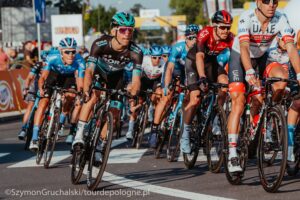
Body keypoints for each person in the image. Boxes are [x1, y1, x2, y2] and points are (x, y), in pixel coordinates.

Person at [227, 0, 300, 173]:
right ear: (258, 2)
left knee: (278, 82)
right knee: (238, 101)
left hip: (261, 58)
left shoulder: (281, 18)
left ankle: (264, 117)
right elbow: (244, 47)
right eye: (267, 1)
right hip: (241, 57)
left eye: (275, 1)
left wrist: (299, 74)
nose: (272, 5)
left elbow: (291, 48)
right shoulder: (247, 17)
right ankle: (232, 154)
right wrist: (249, 71)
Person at [72, 12, 143, 153]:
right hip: (99, 72)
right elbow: (89, 71)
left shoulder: (136, 52)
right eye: (123, 30)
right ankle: (79, 135)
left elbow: (136, 80)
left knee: (115, 112)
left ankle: (100, 145)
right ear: (114, 31)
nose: (127, 34)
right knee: (92, 97)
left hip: (117, 77)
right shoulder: (100, 44)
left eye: (130, 30)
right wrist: (86, 89)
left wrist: (133, 93)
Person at [180, 10, 234, 154]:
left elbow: (238, 56)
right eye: (222, 27)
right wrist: (202, 77)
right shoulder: (205, 34)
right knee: (195, 97)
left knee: (225, 85)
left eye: (228, 27)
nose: (226, 31)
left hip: (212, 64)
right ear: (215, 26)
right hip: (193, 63)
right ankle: (185, 134)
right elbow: (199, 57)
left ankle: (216, 118)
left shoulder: (230, 38)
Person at [149, 24, 200, 148]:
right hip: (174, 71)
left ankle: (183, 121)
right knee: (166, 97)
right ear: (185, 38)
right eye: (190, 37)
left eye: (196, 38)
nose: (193, 41)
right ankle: (154, 130)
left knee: (189, 96)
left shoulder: (199, 50)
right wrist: (166, 86)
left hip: (188, 73)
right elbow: (170, 68)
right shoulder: (178, 48)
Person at [29, 37, 85, 150]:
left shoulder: (80, 60)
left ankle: (61, 122)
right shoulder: (52, 57)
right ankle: (34, 138)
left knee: (71, 96)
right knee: (43, 102)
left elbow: (80, 82)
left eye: (73, 51)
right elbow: (43, 77)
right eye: (67, 52)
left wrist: (80, 93)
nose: (71, 55)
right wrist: (40, 88)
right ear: (61, 51)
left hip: (68, 78)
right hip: (53, 75)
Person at [126, 45, 163, 140]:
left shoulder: (163, 64)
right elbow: (135, 75)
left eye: (159, 57)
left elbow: (164, 80)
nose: (157, 60)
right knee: (137, 99)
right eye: (154, 57)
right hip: (143, 79)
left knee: (159, 93)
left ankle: (151, 108)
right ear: (150, 56)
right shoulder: (144, 61)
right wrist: (132, 85)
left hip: (155, 81)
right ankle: (130, 129)